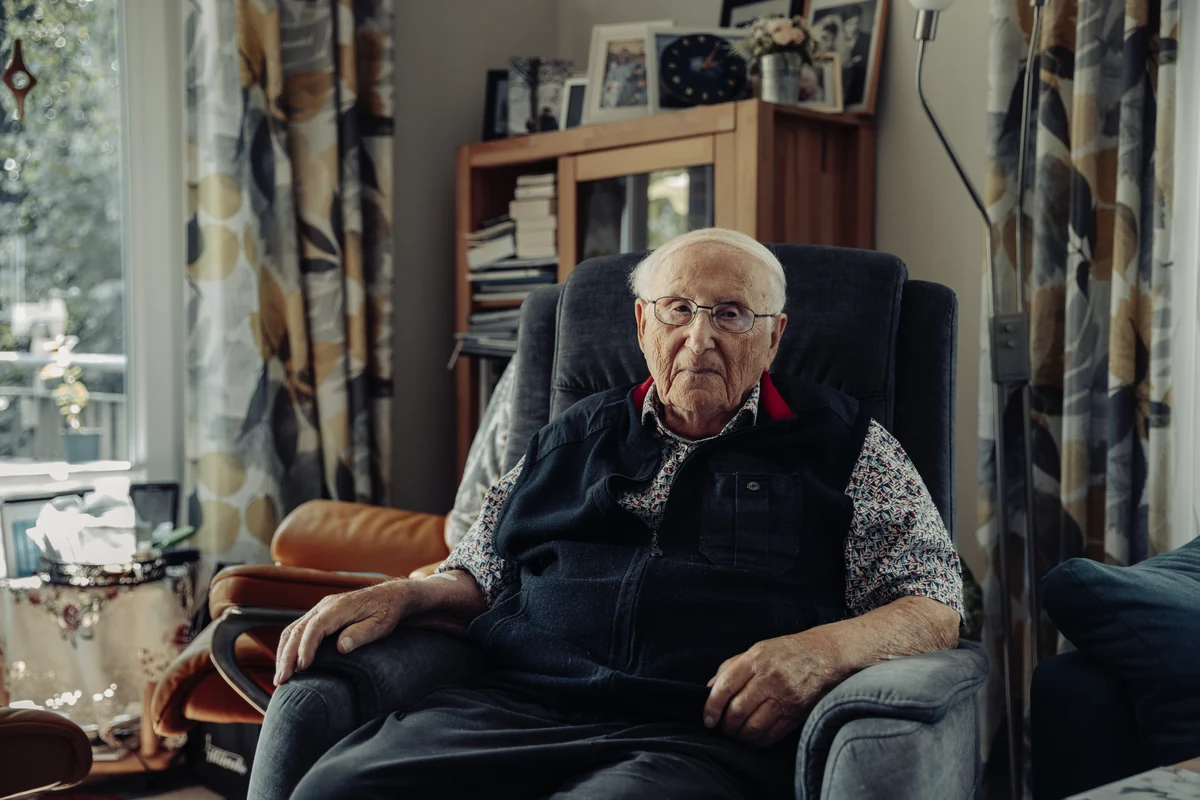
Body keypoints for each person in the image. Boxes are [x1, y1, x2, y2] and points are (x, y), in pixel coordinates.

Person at [254, 228, 964, 799]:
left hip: (694, 733)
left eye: (731, 314)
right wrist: (405, 594)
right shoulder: (571, 436)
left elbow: (934, 602)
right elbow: (483, 569)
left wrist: (819, 654)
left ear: (773, 337)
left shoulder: (846, 444)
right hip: (516, 706)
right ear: (642, 323)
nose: (700, 338)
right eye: (678, 309)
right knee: (336, 788)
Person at [840, 5, 871, 107]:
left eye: (857, 23)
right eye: (850, 24)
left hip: (860, 97)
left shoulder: (868, 40)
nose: (854, 28)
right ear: (843, 24)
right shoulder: (835, 41)